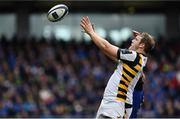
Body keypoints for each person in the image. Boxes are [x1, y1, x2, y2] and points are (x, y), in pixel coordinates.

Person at [80, 16, 155, 118]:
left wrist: (91, 33)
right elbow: (107, 50)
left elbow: (107, 46)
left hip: (116, 105)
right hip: (114, 105)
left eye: (136, 39)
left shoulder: (134, 57)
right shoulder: (136, 60)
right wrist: (93, 34)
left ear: (141, 46)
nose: (132, 41)